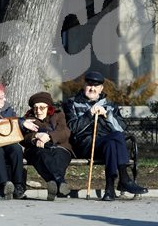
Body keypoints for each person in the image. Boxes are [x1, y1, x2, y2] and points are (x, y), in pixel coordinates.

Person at [63, 71, 148, 201]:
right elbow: (72, 128)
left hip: (106, 145)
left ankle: (109, 190)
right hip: (85, 144)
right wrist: (89, 114)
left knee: (112, 142)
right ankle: (124, 179)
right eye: (89, 85)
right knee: (116, 138)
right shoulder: (71, 103)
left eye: (96, 86)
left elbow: (121, 128)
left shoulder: (110, 105)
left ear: (101, 88)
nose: (92, 88)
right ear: (84, 85)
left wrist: (107, 115)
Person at [21, 92, 73, 201]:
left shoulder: (58, 115)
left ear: (48, 107)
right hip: (37, 149)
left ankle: (52, 183)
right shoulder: (28, 119)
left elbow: (64, 132)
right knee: (41, 155)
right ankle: (60, 182)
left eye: (42, 107)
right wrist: (35, 137)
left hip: (60, 147)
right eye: (35, 108)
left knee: (58, 156)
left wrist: (49, 136)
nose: (38, 111)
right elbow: (23, 137)